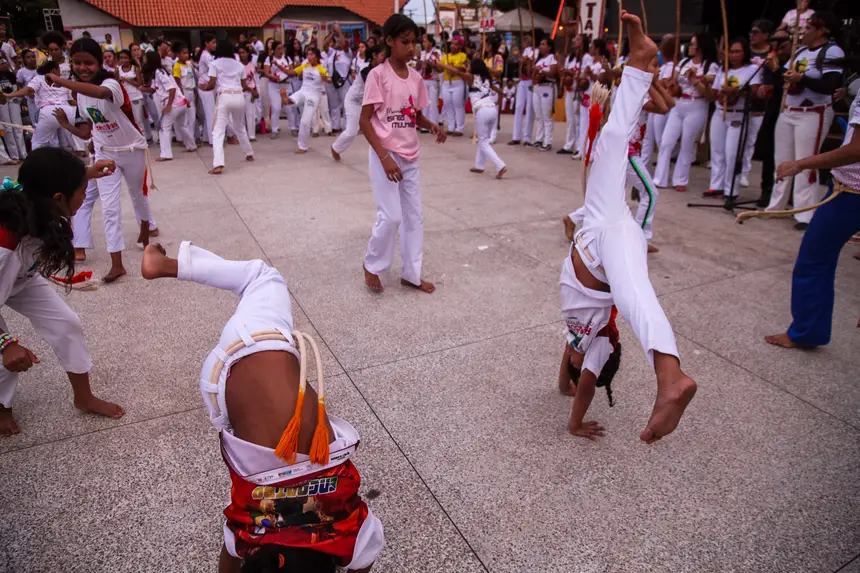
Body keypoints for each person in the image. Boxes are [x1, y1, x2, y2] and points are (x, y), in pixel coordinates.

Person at [139, 240, 384, 573]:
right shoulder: (246, 531)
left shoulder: (352, 533)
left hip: (252, 346)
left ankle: (163, 264)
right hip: (221, 401)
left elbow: (363, 560)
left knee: (263, 277)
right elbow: (229, 557)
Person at [560, 10, 696, 444]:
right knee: (635, 293)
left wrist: (564, 383)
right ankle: (669, 375)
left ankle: (639, 63)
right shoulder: (596, 338)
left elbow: (568, 372)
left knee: (612, 141)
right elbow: (575, 373)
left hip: (596, 229)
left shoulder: (576, 340)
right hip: (608, 240)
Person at [1, 147, 126, 436]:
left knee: (67, 323)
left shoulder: (37, 197)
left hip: (21, 278)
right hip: (6, 272)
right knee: (4, 355)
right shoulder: (4, 249)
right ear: (59, 198)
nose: (84, 196)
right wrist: (6, 343)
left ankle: (83, 397)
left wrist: (89, 172)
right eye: (81, 189)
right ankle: (1, 407)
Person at [50, 37, 157, 280]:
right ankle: (116, 263)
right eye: (76, 63)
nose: (82, 68)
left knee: (137, 194)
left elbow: (100, 92)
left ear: (99, 63)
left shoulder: (112, 84)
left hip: (132, 150)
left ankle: (145, 230)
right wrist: (66, 125)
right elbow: (89, 129)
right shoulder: (80, 95)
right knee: (109, 208)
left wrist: (60, 80)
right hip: (105, 154)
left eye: (88, 63)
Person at [764, 88, 860, 349]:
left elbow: (857, 149)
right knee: (816, 260)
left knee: (815, 260)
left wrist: (801, 163)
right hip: (847, 191)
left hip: (851, 192)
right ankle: (807, 332)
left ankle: (806, 332)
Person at [360, 14, 447, 294]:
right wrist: (384, 157)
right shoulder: (378, 75)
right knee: (391, 216)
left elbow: (413, 115)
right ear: (389, 41)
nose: (411, 48)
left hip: (411, 156)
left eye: (415, 42)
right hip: (386, 154)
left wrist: (431, 125)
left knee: (413, 216)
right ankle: (372, 265)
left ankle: (411, 273)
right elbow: (365, 121)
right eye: (404, 42)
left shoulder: (416, 78)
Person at [766, 11, 844, 230]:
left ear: (822, 30)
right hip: (789, 109)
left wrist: (802, 78)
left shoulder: (831, 51)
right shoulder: (798, 51)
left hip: (813, 112)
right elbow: (786, 79)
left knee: (805, 162)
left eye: (808, 28)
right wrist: (776, 71)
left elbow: (829, 85)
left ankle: (805, 213)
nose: (802, 32)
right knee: (781, 159)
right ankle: (776, 205)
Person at [653, 33, 719, 192]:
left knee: (687, 143)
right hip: (679, 104)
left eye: (693, 44)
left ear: (701, 46)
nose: (690, 47)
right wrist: (671, 85)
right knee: (667, 141)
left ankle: (680, 179)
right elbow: (675, 86)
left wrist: (695, 80)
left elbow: (710, 95)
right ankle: (659, 178)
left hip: (697, 104)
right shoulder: (683, 62)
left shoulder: (710, 66)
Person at [703, 38, 761, 198]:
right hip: (720, 111)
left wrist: (736, 91)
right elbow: (714, 93)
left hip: (739, 113)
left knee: (732, 153)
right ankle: (716, 186)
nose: (734, 55)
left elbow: (755, 92)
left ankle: (731, 190)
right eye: (731, 51)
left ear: (745, 52)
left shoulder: (751, 69)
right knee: (717, 151)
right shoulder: (723, 69)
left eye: (737, 51)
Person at [202, 40, 254, 174]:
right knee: (240, 126)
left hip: (224, 96)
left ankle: (218, 164)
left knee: (218, 131)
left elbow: (212, 84)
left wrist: (204, 87)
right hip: (239, 96)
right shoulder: (239, 65)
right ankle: (249, 152)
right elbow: (243, 85)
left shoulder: (214, 64)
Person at [0, 60, 77, 151]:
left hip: (50, 112)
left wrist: (9, 95)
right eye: (59, 69)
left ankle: (39, 162)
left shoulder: (39, 78)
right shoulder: (63, 81)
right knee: (78, 140)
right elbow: (72, 102)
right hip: (68, 110)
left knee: (38, 143)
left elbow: (29, 90)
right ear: (53, 70)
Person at [755, 30, 792, 207]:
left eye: (782, 41)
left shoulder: (797, 58)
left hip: (790, 107)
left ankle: (788, 193)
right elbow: (768, 86)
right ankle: (767, 189)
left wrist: (777, 70)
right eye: (775, 40)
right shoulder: (771, 59)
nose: (778, 44)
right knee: (768, 149)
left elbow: (786, 83)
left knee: (789, 152)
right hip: (774, 107)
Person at [332, 46, 384, 161]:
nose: (384, 57)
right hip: (354, 101)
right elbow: (373, 86)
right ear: (374, 55)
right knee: (351, 132)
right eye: (382, 54)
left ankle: (382, 155)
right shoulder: (365, 69)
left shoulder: (383, 68)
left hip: (367, 102)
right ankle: (335, 148)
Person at [143, 50, 197, 161]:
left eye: (145, 59)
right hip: (180, 103)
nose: (144, 61)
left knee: (164, 127)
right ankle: (191, 145)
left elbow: (171, 89)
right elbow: (154, 89)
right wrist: (141, 88)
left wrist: (168, 105)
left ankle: (166, 154)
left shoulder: (159, 73)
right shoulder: (158, 72)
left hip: (174, 103)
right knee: (182, 125)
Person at [741, 19, 774, 188]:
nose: (751, 35)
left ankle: (745, 171)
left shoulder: (771, 54)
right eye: (751, 32)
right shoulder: (746, 53)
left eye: (756, 32)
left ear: (766, 35)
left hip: (760, 102)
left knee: (750, 140)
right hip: (740, 100)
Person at [464, 58, 507, 178]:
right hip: (492, 109)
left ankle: (500, 165)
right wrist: (499, 100)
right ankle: (479, 165)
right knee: (484, 140)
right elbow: (499, 91)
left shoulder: (471, 78)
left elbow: (456, 72)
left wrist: (442, 65)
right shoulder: (487, 79)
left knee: (482, 142)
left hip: (482, 110)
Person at [639, 34, 676, 166]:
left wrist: (654, 83)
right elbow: (664, 108)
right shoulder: (637, 90)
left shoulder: (647, 85)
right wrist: (653, 82)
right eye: (655, 66)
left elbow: (671, 103)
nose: (658, 69)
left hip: (633, 148)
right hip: (626, 149)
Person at [285, 47, 331, 153]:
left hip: (314, 95)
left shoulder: (321, 68)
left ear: (317, 56)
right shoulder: (305, 66)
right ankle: (286, 98)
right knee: (290, 100)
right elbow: (291, 73)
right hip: (303, 90)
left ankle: (302, 147)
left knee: (305, 121)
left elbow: (329, 79)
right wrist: (278, 66)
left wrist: (326, 79)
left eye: (311, 54)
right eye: (308, 54)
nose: (309, 57)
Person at [576, 38, 609, 158]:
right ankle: (581, 151)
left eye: (592, 47)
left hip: (597, 97)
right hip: (586, 96)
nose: (589, 49)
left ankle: (593, 151)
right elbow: (582, 79)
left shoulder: (604, 64)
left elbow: (602, 80)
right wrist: (581, 77)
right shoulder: (590, 64)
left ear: (597, 49)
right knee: (583, 124)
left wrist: (590, 74)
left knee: (594, 125)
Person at [559, 34, 589, 156]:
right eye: (574, 38)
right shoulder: (570, 58)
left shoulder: (586, 57)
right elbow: (565, 73)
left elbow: (584, 74)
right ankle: (568, 144)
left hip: (579, 91)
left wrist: (571, 73)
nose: (574, 41)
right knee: (570, 118)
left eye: (577, 39)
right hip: (570, 90)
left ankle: (579, 146)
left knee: (578, 120)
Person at [437, 35, 467, 137]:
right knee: (448, 105)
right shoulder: (446, 56)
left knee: (458, 105)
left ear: (460, 46)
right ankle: (450, 127)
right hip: (446, 83)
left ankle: (459, 128)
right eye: (452, 44)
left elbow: (463, 69)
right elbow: (440, 69)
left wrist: (451, 67)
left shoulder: (462, 55)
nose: (453, 46)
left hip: (457, 82)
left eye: (456, 44)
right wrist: (436, 64)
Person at [531, 37, 558, 151]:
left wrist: (540, 71)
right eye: (540, 44)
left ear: (549, 47)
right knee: (538, 115)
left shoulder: (552, 58)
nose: (541, 46)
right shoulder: (539, 60)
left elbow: (552, 72)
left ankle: (548, 141)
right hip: (537, 87)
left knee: (547, 116)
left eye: (543, 44)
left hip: (548, 86)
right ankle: (539, 138)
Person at [509, 36, 535, 145]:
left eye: (527, 40)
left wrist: (525, 60)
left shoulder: (535, 51)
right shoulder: (525, 50)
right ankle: (516, 136)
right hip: (522, 81)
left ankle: (527, 138)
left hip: (530, 81)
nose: (525, 42)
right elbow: (521, 61)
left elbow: (530, 62)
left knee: (529, 108)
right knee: (519, 107)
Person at [263, 41, 290, 139]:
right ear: (274, 50)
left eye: (282, 48)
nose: (281, 50)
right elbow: (266, 73)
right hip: (274, 85)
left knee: (289, 107)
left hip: (286, 85)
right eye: (278, 48)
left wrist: (286, 76)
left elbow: (290, 70)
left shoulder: (287, 58)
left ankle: (293, 127)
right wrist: (274, 77)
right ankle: (274, 129)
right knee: (276, 107)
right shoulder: (269, 59)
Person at [0, 59, 25, 162]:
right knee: (7, 127)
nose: (2, 65)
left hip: (13, 99)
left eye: (3, 63)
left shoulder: (11, 74)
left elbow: (17, 86)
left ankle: (23, 154)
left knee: (18, 126)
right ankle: (14, 156)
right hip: (2, 100)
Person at [419, 34, 442, 130]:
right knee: (424, 102)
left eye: (426, 41)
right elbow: (419, 67)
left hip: (432, 80)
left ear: (431, 43)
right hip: (424, 80)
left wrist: (430, 64)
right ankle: (425, 125)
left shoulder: (436, 52)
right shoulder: (422, 53)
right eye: (423, 41)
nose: (424, 43)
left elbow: (439, 65)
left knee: (432, 103)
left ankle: (433, 123)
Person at [197, 35, 217, 145]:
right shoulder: (205, 55)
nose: (215, 45)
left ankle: (206, 136)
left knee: (209, 112)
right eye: (213, 42)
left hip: (209, 86)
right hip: (205, 87)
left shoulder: (208, 55)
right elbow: (215, 68)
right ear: (206, 43)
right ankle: (212, 139)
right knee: (210, 113)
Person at [238, 44, 258, 142]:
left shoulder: (252, 65)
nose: (242, 55)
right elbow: (241, 83)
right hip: (241, 92)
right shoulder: (238, 66)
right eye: (240, 53)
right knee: (241, 116)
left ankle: (252, 136)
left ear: (248, 53)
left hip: (250, 91)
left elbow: (253, 78)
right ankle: (242, 136)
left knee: (251, 114)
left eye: (243, 52)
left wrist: (255, 90)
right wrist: (251, 90)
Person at [15, 49, 37, 126]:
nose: (31, 59)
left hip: (43, 100)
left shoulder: (41, 69)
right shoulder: (21, 72)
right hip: (32, 102)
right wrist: (26, 94)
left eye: (33, 56)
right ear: (24, 60)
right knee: (36, 124)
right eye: (28, 57)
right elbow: (19, 85)